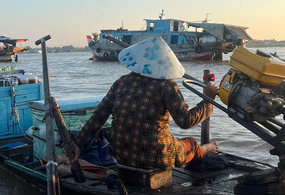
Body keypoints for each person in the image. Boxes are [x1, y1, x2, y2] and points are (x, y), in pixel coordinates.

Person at [73, 36, 219, 170]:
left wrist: (79, 143)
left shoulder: (122, 82)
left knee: (173, 141)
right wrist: (208, 100)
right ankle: (207, 148)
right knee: (191, 144)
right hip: (155, 157)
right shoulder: (166, 86)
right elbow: (186, 121)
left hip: (120, 153)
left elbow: (99, 115)